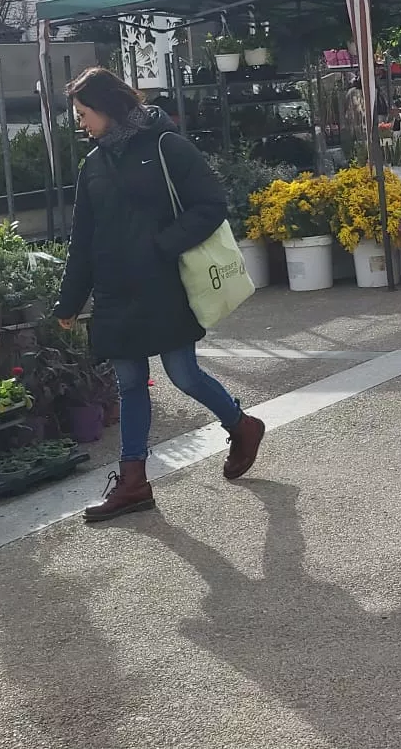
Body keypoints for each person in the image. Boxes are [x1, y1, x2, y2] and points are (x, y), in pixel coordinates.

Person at [52, 67, 265, 523]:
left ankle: (242, 425)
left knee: (183, 374)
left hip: (162, 286)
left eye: (84, 113)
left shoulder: (166, 146)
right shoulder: (94, 163)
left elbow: (211, 205)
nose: (81, 123)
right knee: (129, 385)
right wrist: (69, 301)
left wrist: (161, 246)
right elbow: (83, 238)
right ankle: (133, 483)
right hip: (114, 292)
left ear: (107, 108)